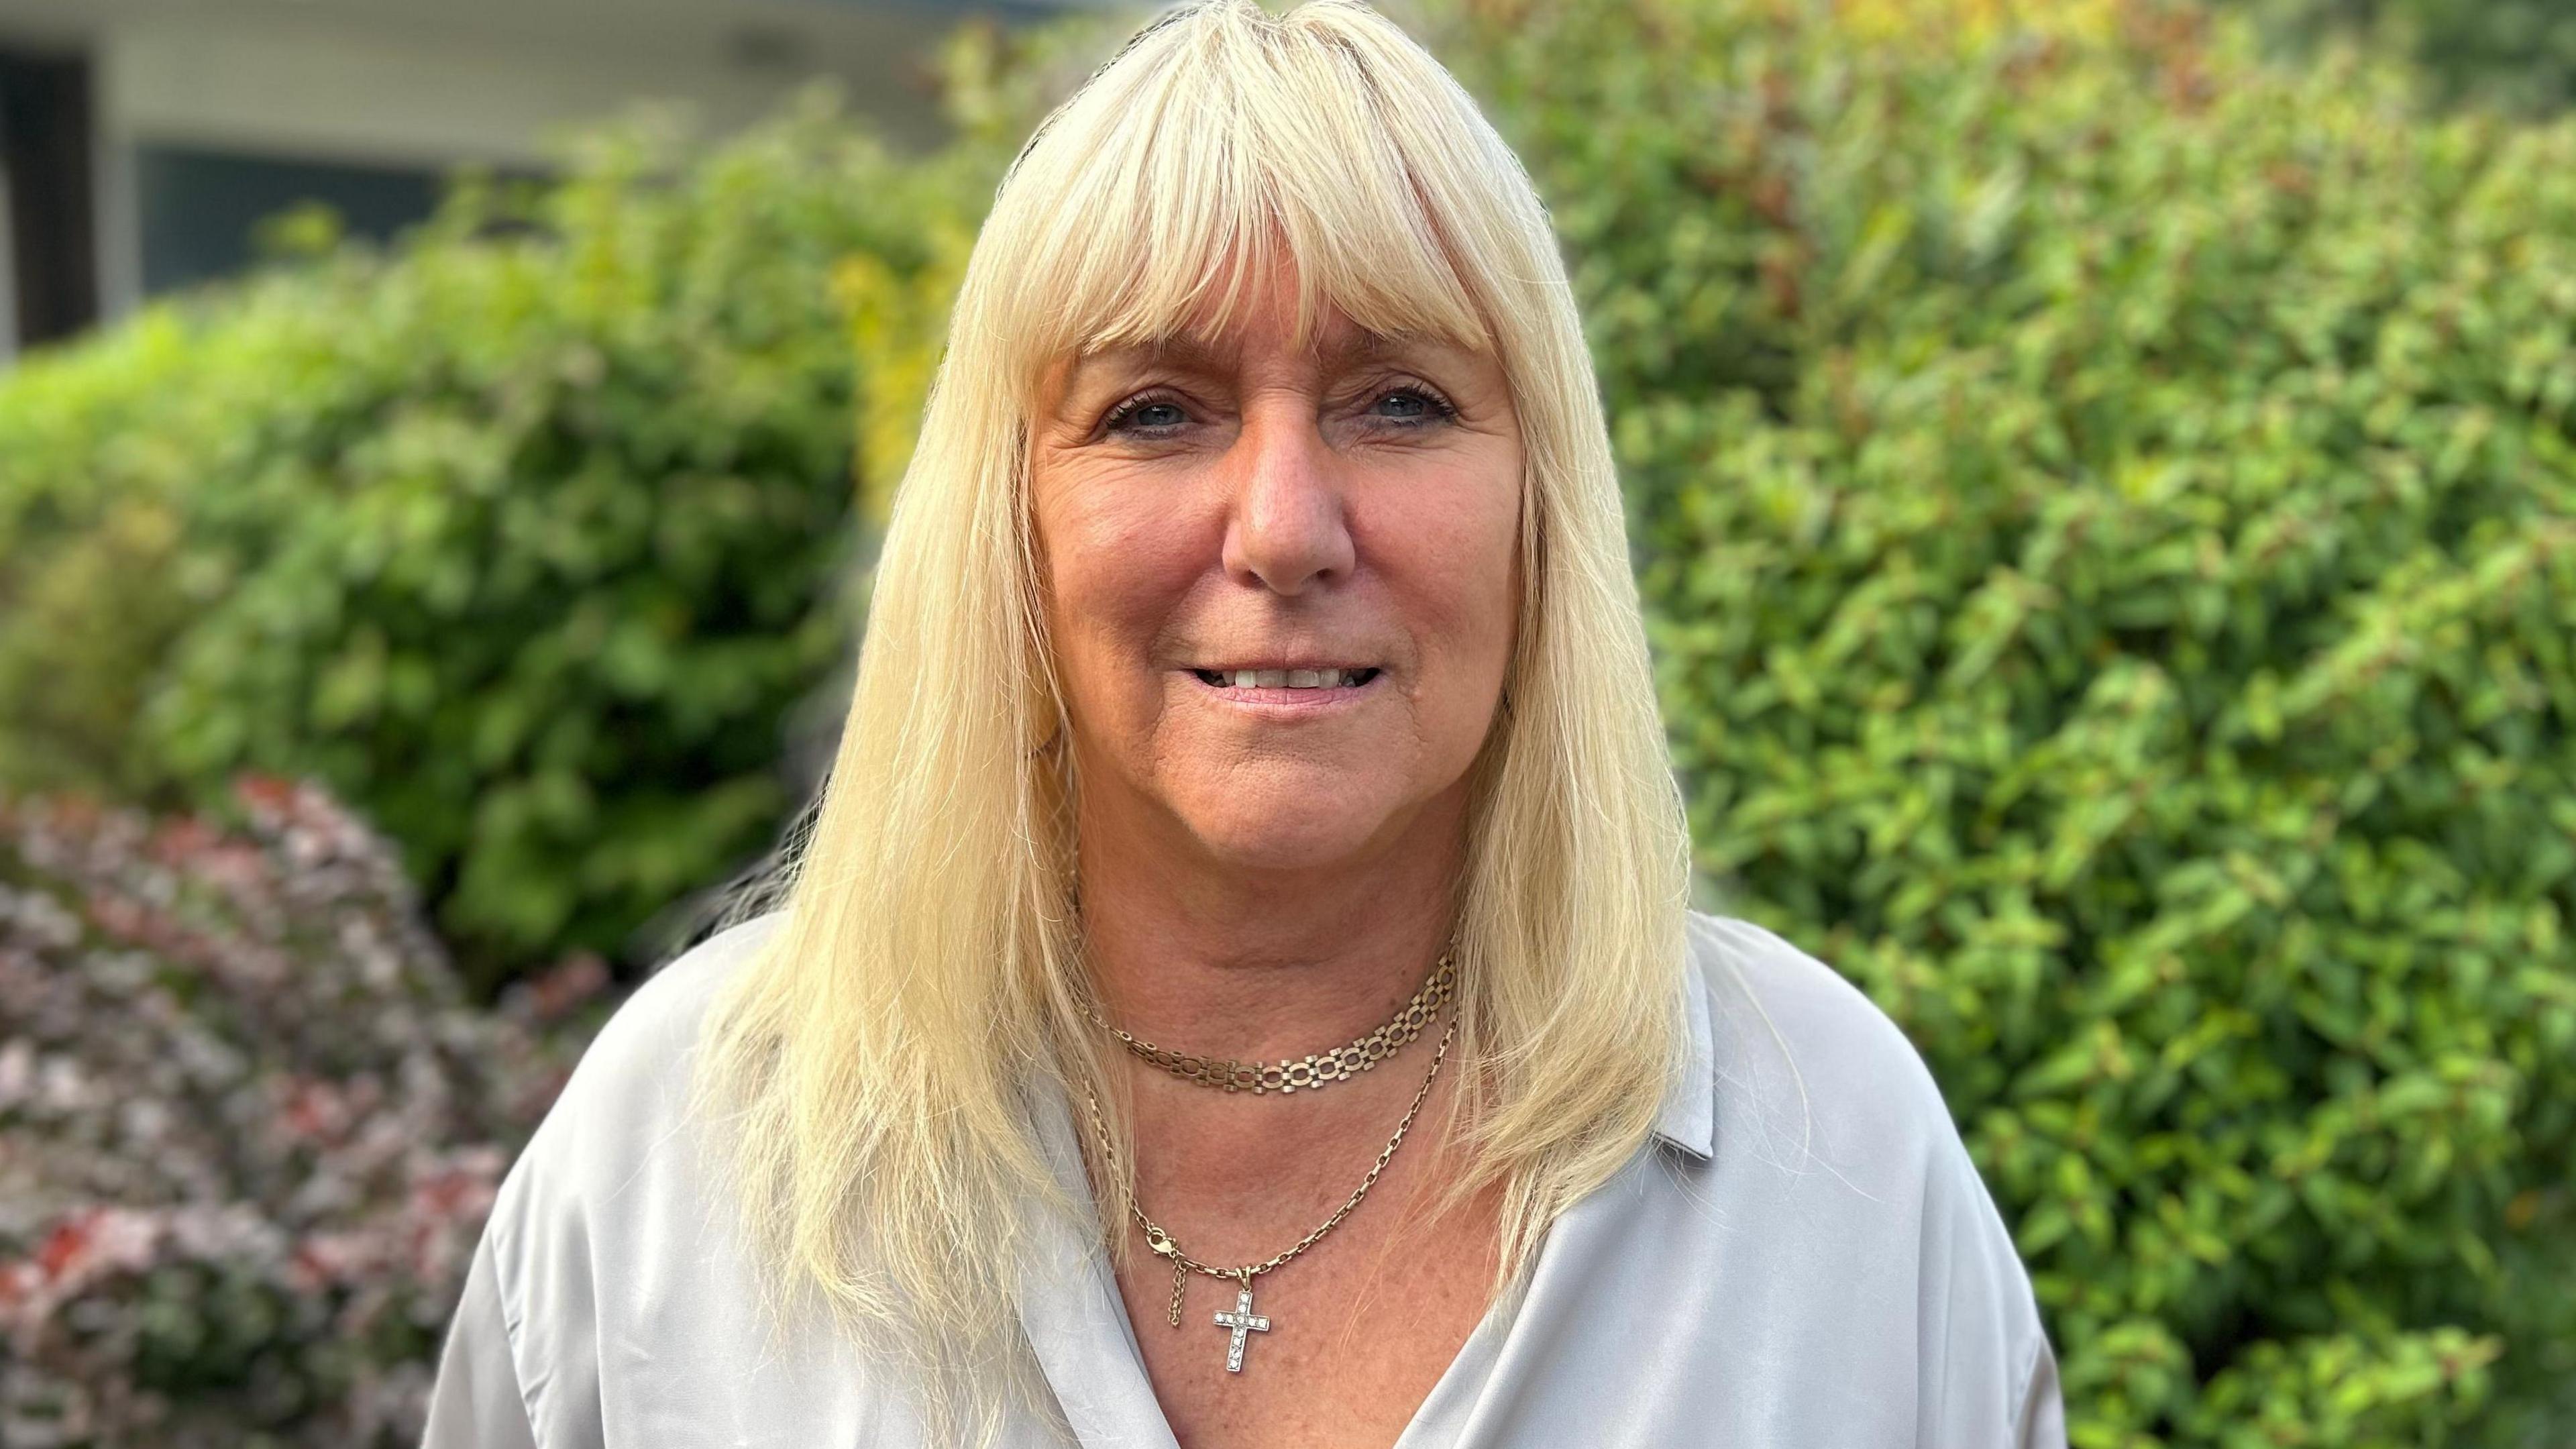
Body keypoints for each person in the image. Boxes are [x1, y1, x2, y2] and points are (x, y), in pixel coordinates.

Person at [419, 1, 2068, 1445]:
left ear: (1540, 507)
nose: (1284, 526)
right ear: (1010, 525)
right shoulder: (685, 1157)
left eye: (1401, 401)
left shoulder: (1831, 1153)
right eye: (1154, 411)